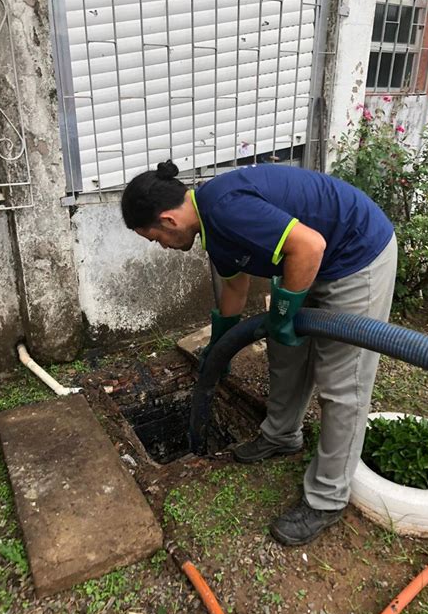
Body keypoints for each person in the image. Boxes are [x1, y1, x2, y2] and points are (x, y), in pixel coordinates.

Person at [121, 160, 397, 546]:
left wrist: (283, 313)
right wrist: (220, 348)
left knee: (342, 382)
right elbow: (234, 292)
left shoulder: (225, 209)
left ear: (168, 220)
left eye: (155, 239)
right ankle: (282, 436)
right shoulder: (212, 228)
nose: (163, 247)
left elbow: (310, 245)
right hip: (310, 259)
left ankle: (327, 499)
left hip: (355, 254)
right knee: (284, 353)